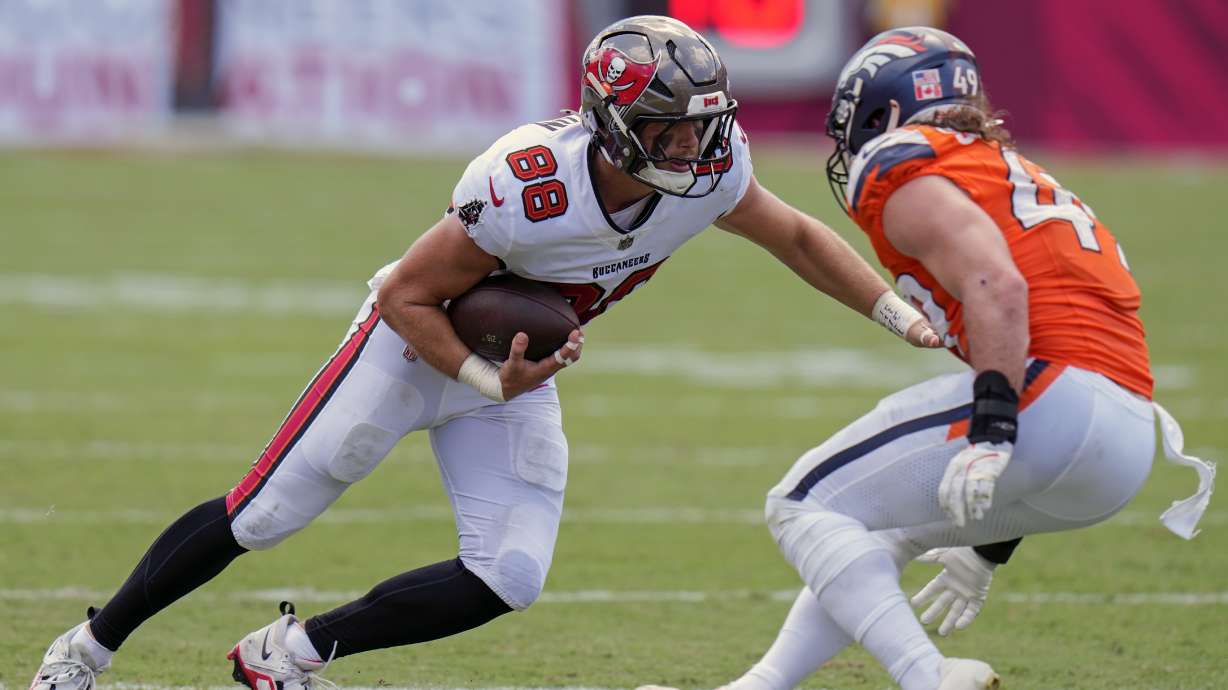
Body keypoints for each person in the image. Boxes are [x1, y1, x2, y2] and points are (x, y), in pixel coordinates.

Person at [29, 15, 942, 690]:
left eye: (701, 123)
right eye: (668, 127)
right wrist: (476, 376)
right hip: (411, 347)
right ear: (615, 123)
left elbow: (795, 238)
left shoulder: (712, 170)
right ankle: (86, 650)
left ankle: (289, 656)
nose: (693, 144)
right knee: (266, 514)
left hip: (512, 368)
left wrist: (896, 314)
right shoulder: (527, 180)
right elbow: (403, 295)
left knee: (509, 574)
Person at [638, 25, 1214, 690]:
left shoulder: (901, 161)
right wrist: (993, 539)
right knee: (878, 533)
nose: (849, 145)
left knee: (801, 505)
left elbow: (999, 285)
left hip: (1052, 398)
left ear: (884, 113)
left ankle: (927, 676)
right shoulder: (1010, 174)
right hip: (1123, 443)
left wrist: (995, 427)